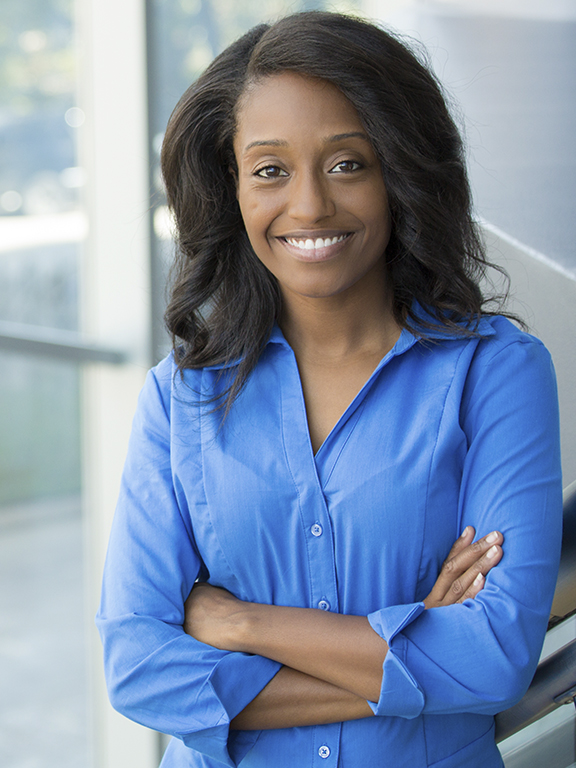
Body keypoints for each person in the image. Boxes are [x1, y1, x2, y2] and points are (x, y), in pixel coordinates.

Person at [96, 11, 563, 768]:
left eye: (347, 164)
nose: (309, 206)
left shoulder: (495, 374)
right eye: (270, 170)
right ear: (232, 187)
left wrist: (242, 626)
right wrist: (414, 653)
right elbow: (140, 670)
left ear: (401, 171)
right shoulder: (179, 399)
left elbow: (494, 658)